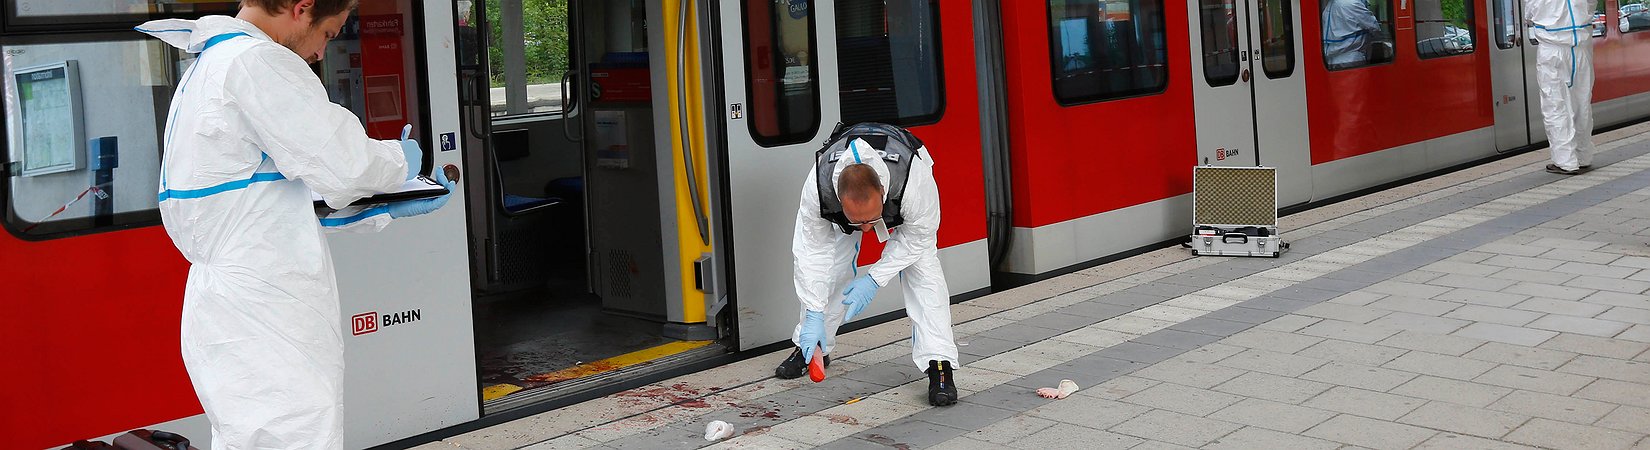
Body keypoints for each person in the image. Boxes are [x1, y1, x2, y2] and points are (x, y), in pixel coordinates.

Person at [137, 0, 455, 447]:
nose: (322, 53)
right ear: (302, 8)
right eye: (328, 34)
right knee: (296, 435)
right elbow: (346, 164)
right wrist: (398, 162)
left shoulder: (207, 68)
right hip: (270, 312)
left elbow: (255, 205)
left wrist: (377, 208)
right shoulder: (257, 63)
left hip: (232, 310)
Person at [776, 122, 959, 407]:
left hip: (908, 202)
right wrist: (813, 312)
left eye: (872, 220)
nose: (865, 230)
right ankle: (812, 347)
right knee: (832, 267)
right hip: (844, 207)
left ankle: (939, 365)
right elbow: (811, 252)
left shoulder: (913, 179)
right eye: (857, 221)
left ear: (883, 192)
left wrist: (874, 278)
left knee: (923, 273)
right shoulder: (819, 187)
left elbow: (919, 237)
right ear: (840, 199)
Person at [1526, 0, 1596, 174]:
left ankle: (1566, 161)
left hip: (1552, 50)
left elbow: (1529, 14)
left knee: (1555, 106)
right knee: (1582, 105)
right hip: (1581, 48)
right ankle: (1584, 156)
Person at [1322, 0, 1387, 67]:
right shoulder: (1352, 4)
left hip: (1332, 58)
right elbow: (1373, 26)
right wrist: (1382, 40)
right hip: (1351, 57)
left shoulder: (1331, 5)